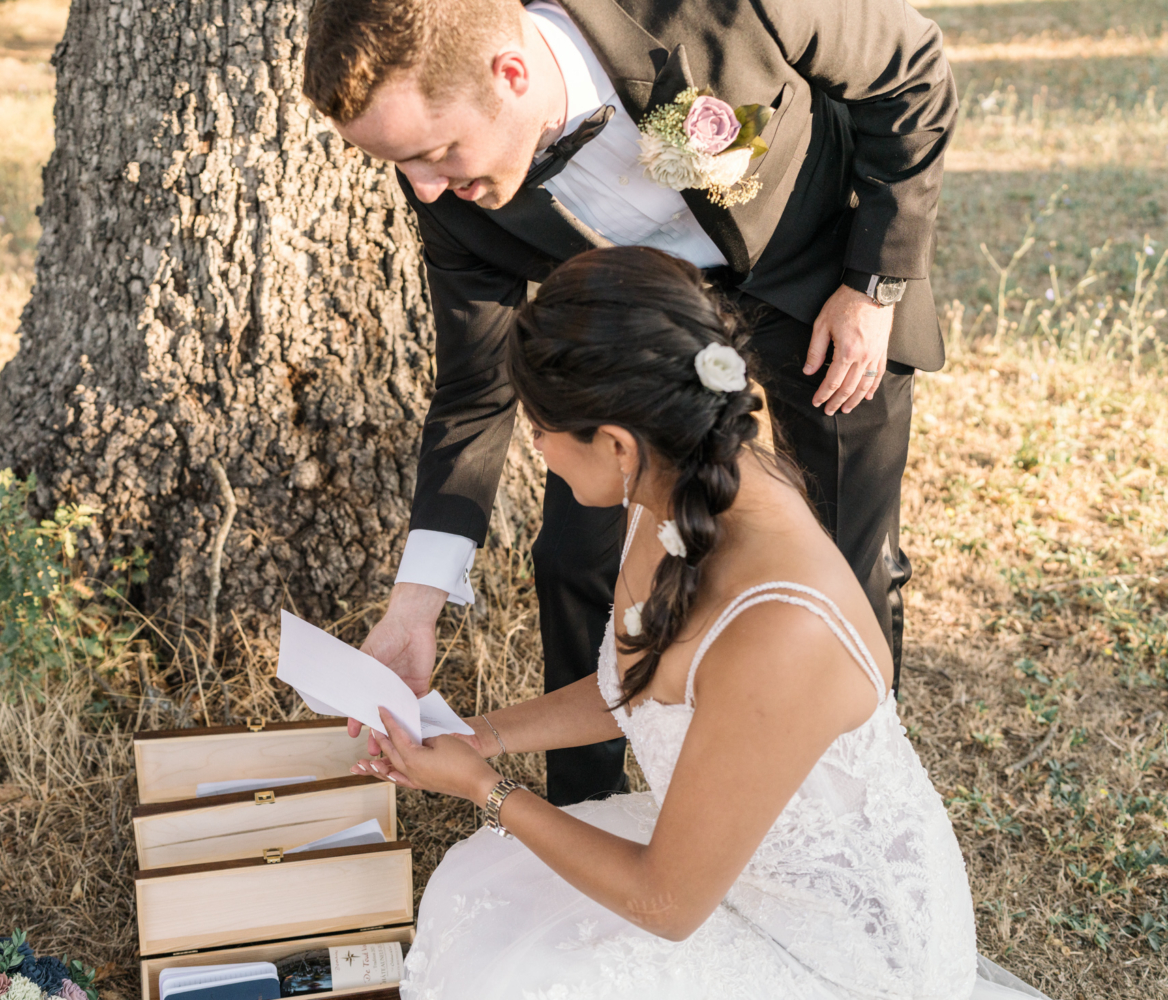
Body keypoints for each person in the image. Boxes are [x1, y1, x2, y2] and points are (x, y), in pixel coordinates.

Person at [303, 0, 955, 804]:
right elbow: (475, 389)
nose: (426, 192)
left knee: (850, 557)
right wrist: (414, 605)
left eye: (435, 154)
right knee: (574, 558)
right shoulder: (446, 191)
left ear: (511, 75)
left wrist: (873, 285)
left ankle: (856, 799)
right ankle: (589, 804)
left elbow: (912, 68)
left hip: (818, 279)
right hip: (641, 337)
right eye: (399, 166)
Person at [350, 247, 1047, 1000]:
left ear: (616, 444)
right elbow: (641, 686)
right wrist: (483, 736)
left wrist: (486, 790)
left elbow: (667, 905)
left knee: (545, 980)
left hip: (837, 949)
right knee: (482, 889)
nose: (538, 451)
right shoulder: (674, 490)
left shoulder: (782, 627)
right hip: (729, 866)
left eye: (539, 431)